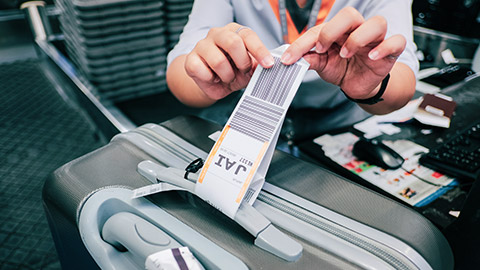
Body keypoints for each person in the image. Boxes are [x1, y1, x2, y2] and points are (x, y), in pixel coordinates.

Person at [166, 0, 418, 144]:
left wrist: (369, 85)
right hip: (252, 111)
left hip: (342, 118)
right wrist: (209, 75)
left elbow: (402, 73)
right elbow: (182, 64)